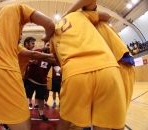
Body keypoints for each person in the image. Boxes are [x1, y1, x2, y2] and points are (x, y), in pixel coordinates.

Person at [0, 4, 55, 130]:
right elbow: (50, 25)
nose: (19, 35)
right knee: (20, 118)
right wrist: (48, 40)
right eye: (21, 33)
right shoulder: (17, 9)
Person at [50, 0, 126, 130]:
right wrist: (69, 13)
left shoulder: (53, 34)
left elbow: (58, 61)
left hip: (75, 72)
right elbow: (107, 17)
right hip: (107, 67)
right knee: (103, 124)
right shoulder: (80, 15)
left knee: (66, 122)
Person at [24, 42, 60, 122]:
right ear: (44, 45)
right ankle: (23, 113)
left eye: (51, 46)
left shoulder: (52, 57)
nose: (49, 47)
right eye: (48, 45)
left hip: (42, 82)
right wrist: (30, 62)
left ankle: (41, 114)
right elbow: (26, 60)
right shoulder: (37, 51)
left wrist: (63, 71)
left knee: (41, 99)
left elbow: (57, 68)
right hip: (31, 79)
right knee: (25, 97)